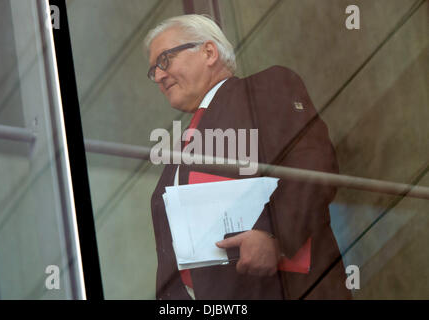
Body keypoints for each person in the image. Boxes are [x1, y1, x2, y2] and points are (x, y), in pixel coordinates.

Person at [145, 14, 351, 300]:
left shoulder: (263, 89)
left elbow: (312, 163)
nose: (158, 76)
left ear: (208, 52)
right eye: (153, 70)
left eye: (164, 61)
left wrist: (273, 235)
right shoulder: (180, 149)